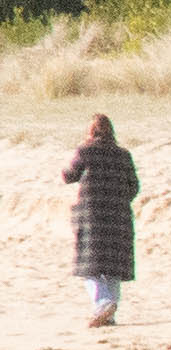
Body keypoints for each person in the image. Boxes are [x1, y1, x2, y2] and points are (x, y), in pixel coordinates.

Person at [64, 114, 135, 330]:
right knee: (113, 267)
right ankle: (109, 313)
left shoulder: (85, 151)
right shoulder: (123, 155)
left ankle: (103, 304)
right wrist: (118, 200)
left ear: (91, 131)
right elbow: (134, 186)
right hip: (119, 217)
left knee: (91, 268)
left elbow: (68, 175)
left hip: (91, 218)